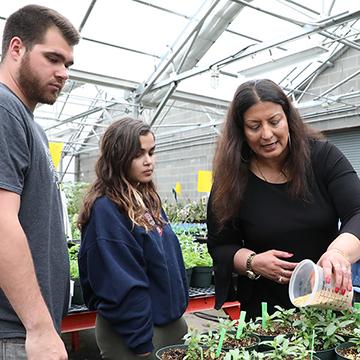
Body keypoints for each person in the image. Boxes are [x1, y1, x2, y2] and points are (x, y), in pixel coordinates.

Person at [207, 78, 360, 320]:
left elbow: (357, 212)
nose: (267, 134)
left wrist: (339, 253)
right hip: (265, 313)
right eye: (254, 126)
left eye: (274, 121)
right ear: (241, 131)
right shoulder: (232, 179)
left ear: (288, 118)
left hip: (327, 300)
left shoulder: (322, 157)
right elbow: (221, 245)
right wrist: (252, 262)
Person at [0, 5, 79, 360]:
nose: (63, 73)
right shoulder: (4, 109)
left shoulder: (32, 126)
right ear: (16, 48)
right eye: (53, 58)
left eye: (68, 65)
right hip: (15, 333)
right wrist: (39, 327)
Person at [77, 117, 188, 360]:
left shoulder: (146, 200)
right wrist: (140, 342)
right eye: (139, 154)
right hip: (133, 336)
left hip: (165, 323)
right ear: (118, 156)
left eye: (151, 152)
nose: (149, 161)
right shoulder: (107, 209)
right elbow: (120, 283)